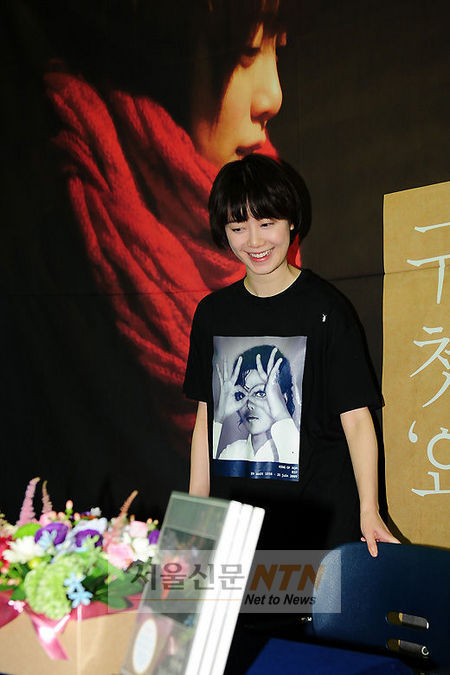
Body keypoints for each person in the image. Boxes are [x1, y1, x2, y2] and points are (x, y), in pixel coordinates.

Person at [40, 0, 298, 454]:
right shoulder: (63, 218)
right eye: (246, 51)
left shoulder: (276, 206)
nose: (272, 96)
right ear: (165, 52)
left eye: (276, 47)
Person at [184, 153, 399, 556]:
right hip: (235, 524)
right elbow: (204, 419)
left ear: (291, 221)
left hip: (317, 520)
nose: (254, 241)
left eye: (266, 223)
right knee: (187, 598)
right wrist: (195, 509)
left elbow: (356, 419)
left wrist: (370, 509)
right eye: (238, 227)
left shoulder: (327, 310)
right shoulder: (212, 314)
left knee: (308, 603)